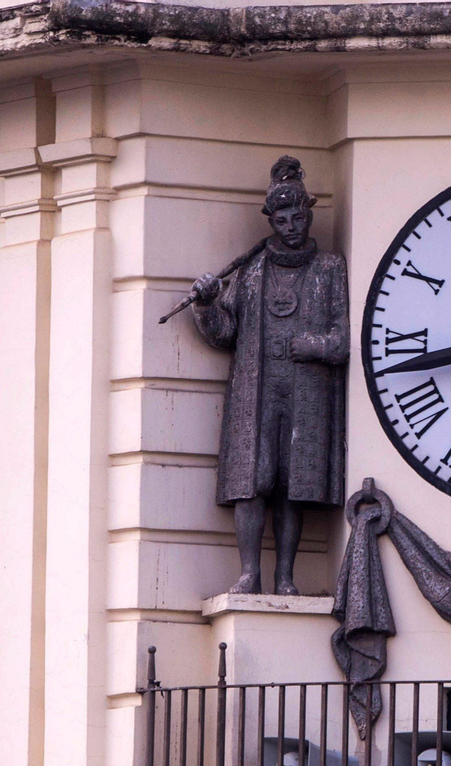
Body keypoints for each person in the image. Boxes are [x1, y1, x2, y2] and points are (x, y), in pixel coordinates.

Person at [191, 156, 348, 595]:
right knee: (252, 481)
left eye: (299, 216)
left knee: (291, 482)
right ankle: (249, 573)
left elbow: (342, 339)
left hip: (305, 389)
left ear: (309, 215)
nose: (292, 225)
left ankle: (284, 577)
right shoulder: (252, 270)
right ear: (272, 221)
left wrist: (312, 345)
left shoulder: (330, 269)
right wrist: (206, 304)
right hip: (256, 389)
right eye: (283, 218)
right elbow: (226, 334)